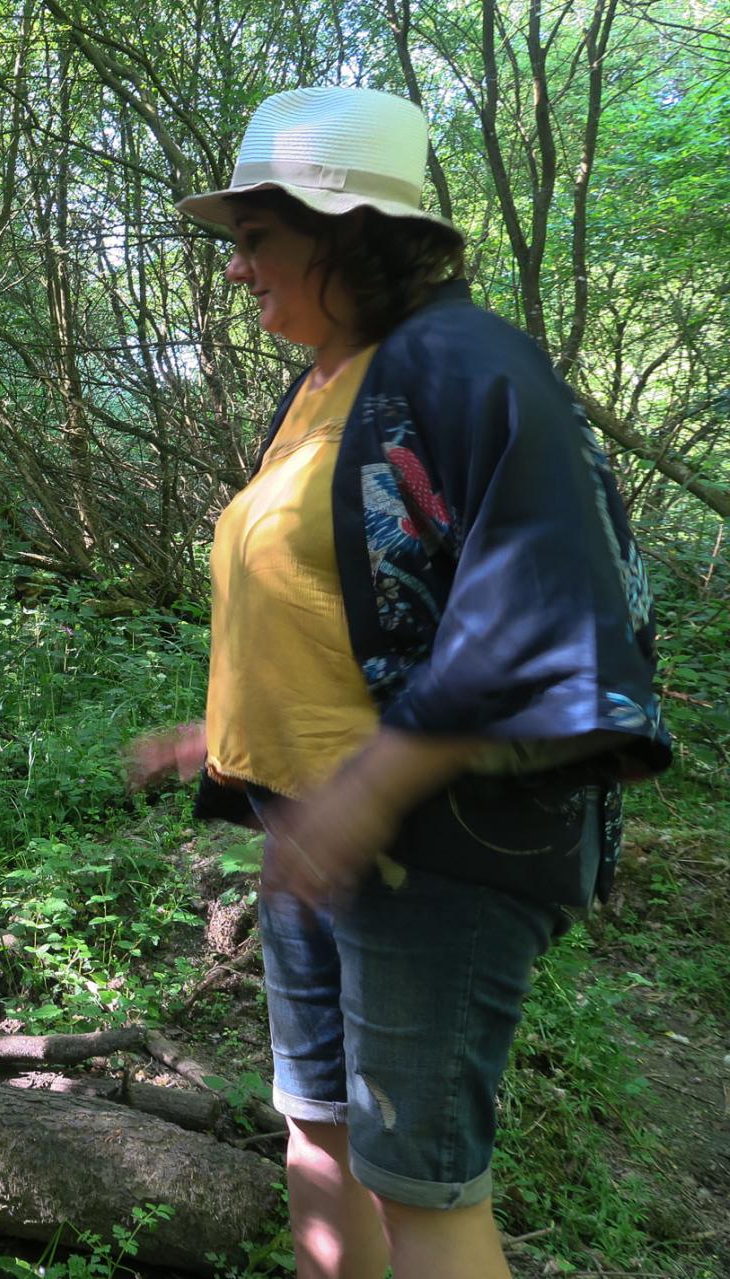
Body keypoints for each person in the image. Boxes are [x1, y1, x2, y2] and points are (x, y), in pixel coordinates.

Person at [130, 87, 669, 1279]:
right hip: (314, 822)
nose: (235, 272)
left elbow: (552, 610)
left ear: (348, 232)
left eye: (256, 239)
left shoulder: (464, 364)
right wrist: (220, 726)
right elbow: (355, 590)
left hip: (436, 841)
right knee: (319, 1129)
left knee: (421, 1179)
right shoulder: (335, 375)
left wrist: (373, 787)